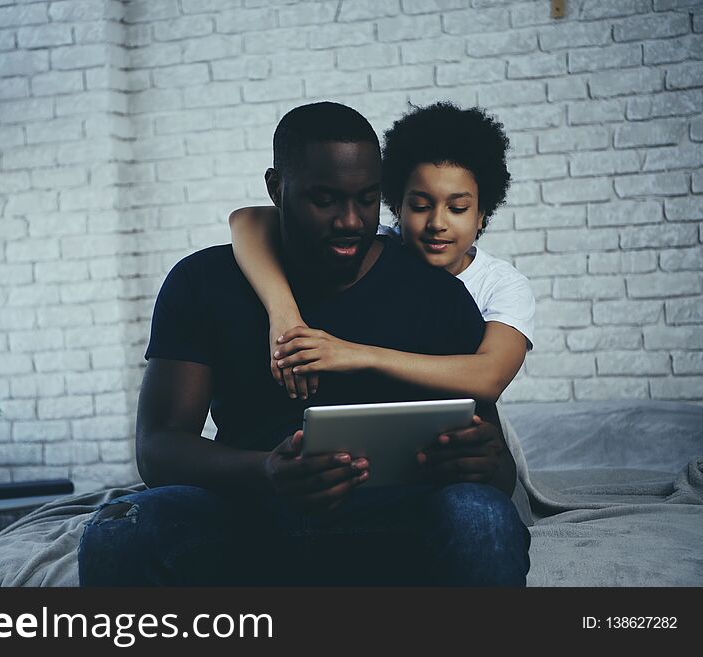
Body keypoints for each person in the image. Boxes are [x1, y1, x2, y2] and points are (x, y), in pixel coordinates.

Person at [77, 102, 531, 587]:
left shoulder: (436, 292)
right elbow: (158, 448)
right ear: (277, 189)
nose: (351, 221)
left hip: (395, 516)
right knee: (117, 530)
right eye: (325, 199)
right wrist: (266, 471)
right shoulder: (203, 282)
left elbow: (499, 469)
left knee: (481, 516)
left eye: (366, 199)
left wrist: (483, 462)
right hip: (249, 510)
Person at [229, 102, 535, 404]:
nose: (437, 224)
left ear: (482, 214)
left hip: (472, 425)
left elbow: (489, 377)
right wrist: (284, 315)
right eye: (420, 206)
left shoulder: (501, 285)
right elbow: (248, 220)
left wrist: (356, 354)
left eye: (457, 209)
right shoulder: (372, 242)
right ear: (396, 206)